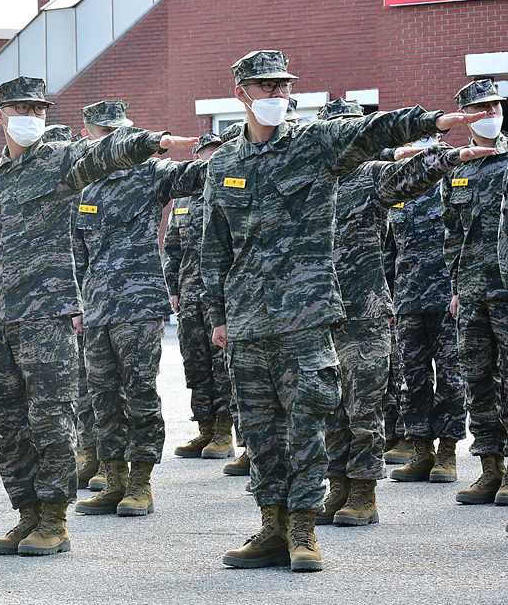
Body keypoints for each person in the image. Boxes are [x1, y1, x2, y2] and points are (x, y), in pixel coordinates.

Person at [202, 50, 479, 572]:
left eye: (285, 88)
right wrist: (217, 313)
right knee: (259, 431)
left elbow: (375, 130)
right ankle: (271, 528)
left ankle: (304, 532)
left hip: (306, 318)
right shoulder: (224, 163)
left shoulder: (312, 144)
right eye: (266, 89)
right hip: (246, 320)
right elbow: (214, 245)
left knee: (308, 422)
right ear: (241, 93)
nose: (278, 97)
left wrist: (433, 123)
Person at [0, 77, 196, 556]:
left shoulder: (64, 163)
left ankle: (71, 511)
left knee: (64, 413)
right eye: (21, 107)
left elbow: (112, 152)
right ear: (1, 116)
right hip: (41, 313)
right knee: (15, 422)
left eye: (39, 107)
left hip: (98, 308)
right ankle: (30, 513)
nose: (31, 115)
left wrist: (153, 141)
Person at [317, 98, 489, 528]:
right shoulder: (311, 181)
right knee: (328, 405)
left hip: (365, 310)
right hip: (317, 312)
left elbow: (411, 175)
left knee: (363, 404)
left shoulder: (371, 176)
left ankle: (362, 493)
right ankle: (335, 487)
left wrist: (446, 157)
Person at [72, 100, 207, 519]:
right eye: (104, 132)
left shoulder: (149, 174)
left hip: (138, 306)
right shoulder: (83, 186)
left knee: (139, 392)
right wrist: (75, 304)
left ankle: (140, 483)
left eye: (121, 132)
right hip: (96, 308)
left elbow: (197, 175)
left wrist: (230, 148)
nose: (114, 140)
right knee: (102, 396)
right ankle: (112, 481)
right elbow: (76, 253)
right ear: (87, 136)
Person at [442, 79, 508, 507]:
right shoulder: (458, 169)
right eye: (482, 107)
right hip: (470, 291)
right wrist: (454, 287)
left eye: (496, 105)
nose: (492, 113)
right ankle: (490, 469)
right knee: (477, 379)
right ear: (466, 115)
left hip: (506, 289)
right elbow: (451, 234)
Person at [386, 132, 466, 484]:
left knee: (450, 376)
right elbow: (388, 251)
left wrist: (462, 290)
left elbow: (464, 238)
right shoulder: (397, 193)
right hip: (406, 300)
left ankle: (447, 451)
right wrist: (387, 297)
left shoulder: (449, 185)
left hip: (445, 300)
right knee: (412, 377)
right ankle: (420, 449)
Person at [163, 133, 239, 467]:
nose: (207, 163)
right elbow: (171, 247)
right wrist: (174, 287)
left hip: (222, 294)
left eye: (214, 156)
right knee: (195, 361)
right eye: (202, 157)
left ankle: (225, 431)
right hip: (190, 294)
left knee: (223, 362)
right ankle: (205, 427)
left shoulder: (228, 193)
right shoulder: (183, 200)